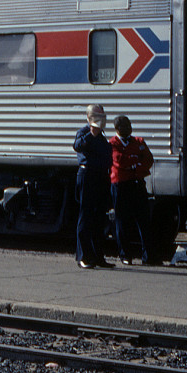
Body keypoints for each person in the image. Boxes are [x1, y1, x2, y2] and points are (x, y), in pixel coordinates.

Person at [109, 115, 154, 265]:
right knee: (122, 221)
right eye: (124, 127)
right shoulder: (112, 144)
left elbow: (148, 160)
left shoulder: (138, 141)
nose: (128, 129)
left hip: (137, 184)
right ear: (117, 129)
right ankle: (125, 255)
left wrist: (133, 165)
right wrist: (136, 159)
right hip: (121, 185)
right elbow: (119, 161)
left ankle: (149, 256)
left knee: (144, 220)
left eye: (129, 126)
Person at [73, 104, 113, 269]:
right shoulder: (84, 132)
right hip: (88, 175)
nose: (101, 120)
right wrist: (91, 133)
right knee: (86, 215)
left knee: (99, 218)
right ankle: (84, 256)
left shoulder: (102, 136)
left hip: (101, 176)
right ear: (89, 118)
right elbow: (77, 146)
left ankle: (98, 256)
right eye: (97, 116)